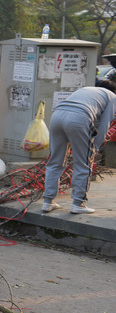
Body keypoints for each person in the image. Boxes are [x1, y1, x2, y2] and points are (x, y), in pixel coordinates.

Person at [42, 81, 116, 214]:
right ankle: (78, 204)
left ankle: (48, 202)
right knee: (83, 163)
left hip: (57, 116)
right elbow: (105, 124)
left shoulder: (87, 90)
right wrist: (95, 147)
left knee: (55, 162)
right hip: (79, 118)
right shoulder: (112, 97)